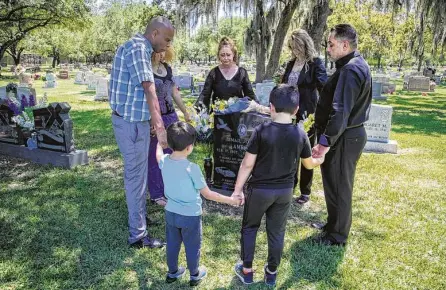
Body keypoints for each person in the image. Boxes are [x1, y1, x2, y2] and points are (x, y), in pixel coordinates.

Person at [230, 85, 325, 286]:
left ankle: (246, 271)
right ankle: (271, 272)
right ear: (297, 109)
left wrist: (237, 190)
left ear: (270, 107)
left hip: (259, 192)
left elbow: (247, 163)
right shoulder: (300, 134)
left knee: (250, 228)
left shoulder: (261, 130)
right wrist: (321, 158)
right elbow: (309, 164)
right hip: (284, 193)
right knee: (277, 232)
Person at [109, 16, 174, 249]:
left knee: (138, 175)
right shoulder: (138, 49)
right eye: (166, 39)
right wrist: (160, 127)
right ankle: (138, 235)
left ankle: (139, 218)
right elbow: (149, 89)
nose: (168, 45)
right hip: (131, 124)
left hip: (134, 121)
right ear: (154, 34)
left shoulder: (137, 47)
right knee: (136, 177)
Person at [156, 121, 242, 286]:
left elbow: (158, 155)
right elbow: (208, 194)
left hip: (171, 213)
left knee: (172, 244)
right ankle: (194, 274)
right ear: (189, 147)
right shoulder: (192, 168)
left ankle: (172, 272)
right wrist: (231, 200)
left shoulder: (165, 161)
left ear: (170, 143)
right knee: (192, 246)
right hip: (190, 217)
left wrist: (159, 144)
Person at [311, 24, 372, 246]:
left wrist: (325, 143)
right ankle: (332, 224)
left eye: (331, 44)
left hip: (345, 137)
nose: (328, 49)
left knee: (341, 187)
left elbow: (340, 111)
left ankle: (337, 237)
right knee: (333, 183)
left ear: (344, 45)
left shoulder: (351, 69)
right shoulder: (351, 65)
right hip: (344, 136)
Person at [281, 29, 328, 204]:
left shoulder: (315, 63)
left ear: (306, 44)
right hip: (288, 112)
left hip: (307, 113)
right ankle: (289, 185)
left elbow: (324, 87)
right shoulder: (291, 63)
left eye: (298, 46)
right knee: (289, 151)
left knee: (305, 151)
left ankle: (305, 191)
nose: (296, 51)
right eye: (293, 47)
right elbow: (284, 84)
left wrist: (323, 111)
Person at [147, 47, 191, 206]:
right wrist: (151, 120)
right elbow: (145, 96)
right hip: (155, 118)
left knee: (173, 153)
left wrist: (185, 112)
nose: (162, 54)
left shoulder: (167, 68)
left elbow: (175, 93)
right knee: (155, 156)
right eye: (160, 51)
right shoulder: (146, 69)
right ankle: (156, 193)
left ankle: (170, 189)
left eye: (165, 51)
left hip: (171, 116)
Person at [196, 36, 258, 112]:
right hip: (218, 117)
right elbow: (205, 95)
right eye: (222, 55)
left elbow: (249, 95)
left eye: (228, 55)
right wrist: (197, 110)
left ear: (233, 54)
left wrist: (258, 107)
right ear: (218, 55)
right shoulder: (213, 73)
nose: (225, 58)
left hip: (237, 116)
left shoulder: (242, 72)